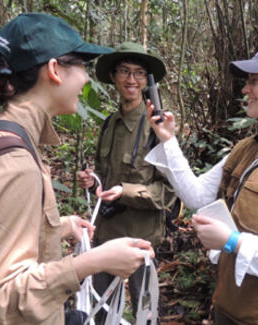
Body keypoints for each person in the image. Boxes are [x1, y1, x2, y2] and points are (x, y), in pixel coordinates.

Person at [0, 13, 154, 325]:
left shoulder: (4, 135)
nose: (87, 79)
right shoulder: (18, 163)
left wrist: (60, 226)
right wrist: (90, 262)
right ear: (54, 70)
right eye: (82, 66)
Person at [145, 45, 258, 325]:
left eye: (254, 81)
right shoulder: (249, 149)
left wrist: (234, 243)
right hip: (233, 307)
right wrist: (167, 140)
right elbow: (196, 195)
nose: (245, 89)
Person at [77, 42, 176, 322]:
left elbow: (168, 192)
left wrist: (125, 192)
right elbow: (104, 178)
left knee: (145, 314)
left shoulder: (158, 128)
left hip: (141, 240)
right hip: (106, 235)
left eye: (139, 73)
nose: (131, 80)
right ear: (113, 76)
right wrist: (93, 181)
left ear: (147, 81)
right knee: (100, 310)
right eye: (124, 71)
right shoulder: (109, 124)